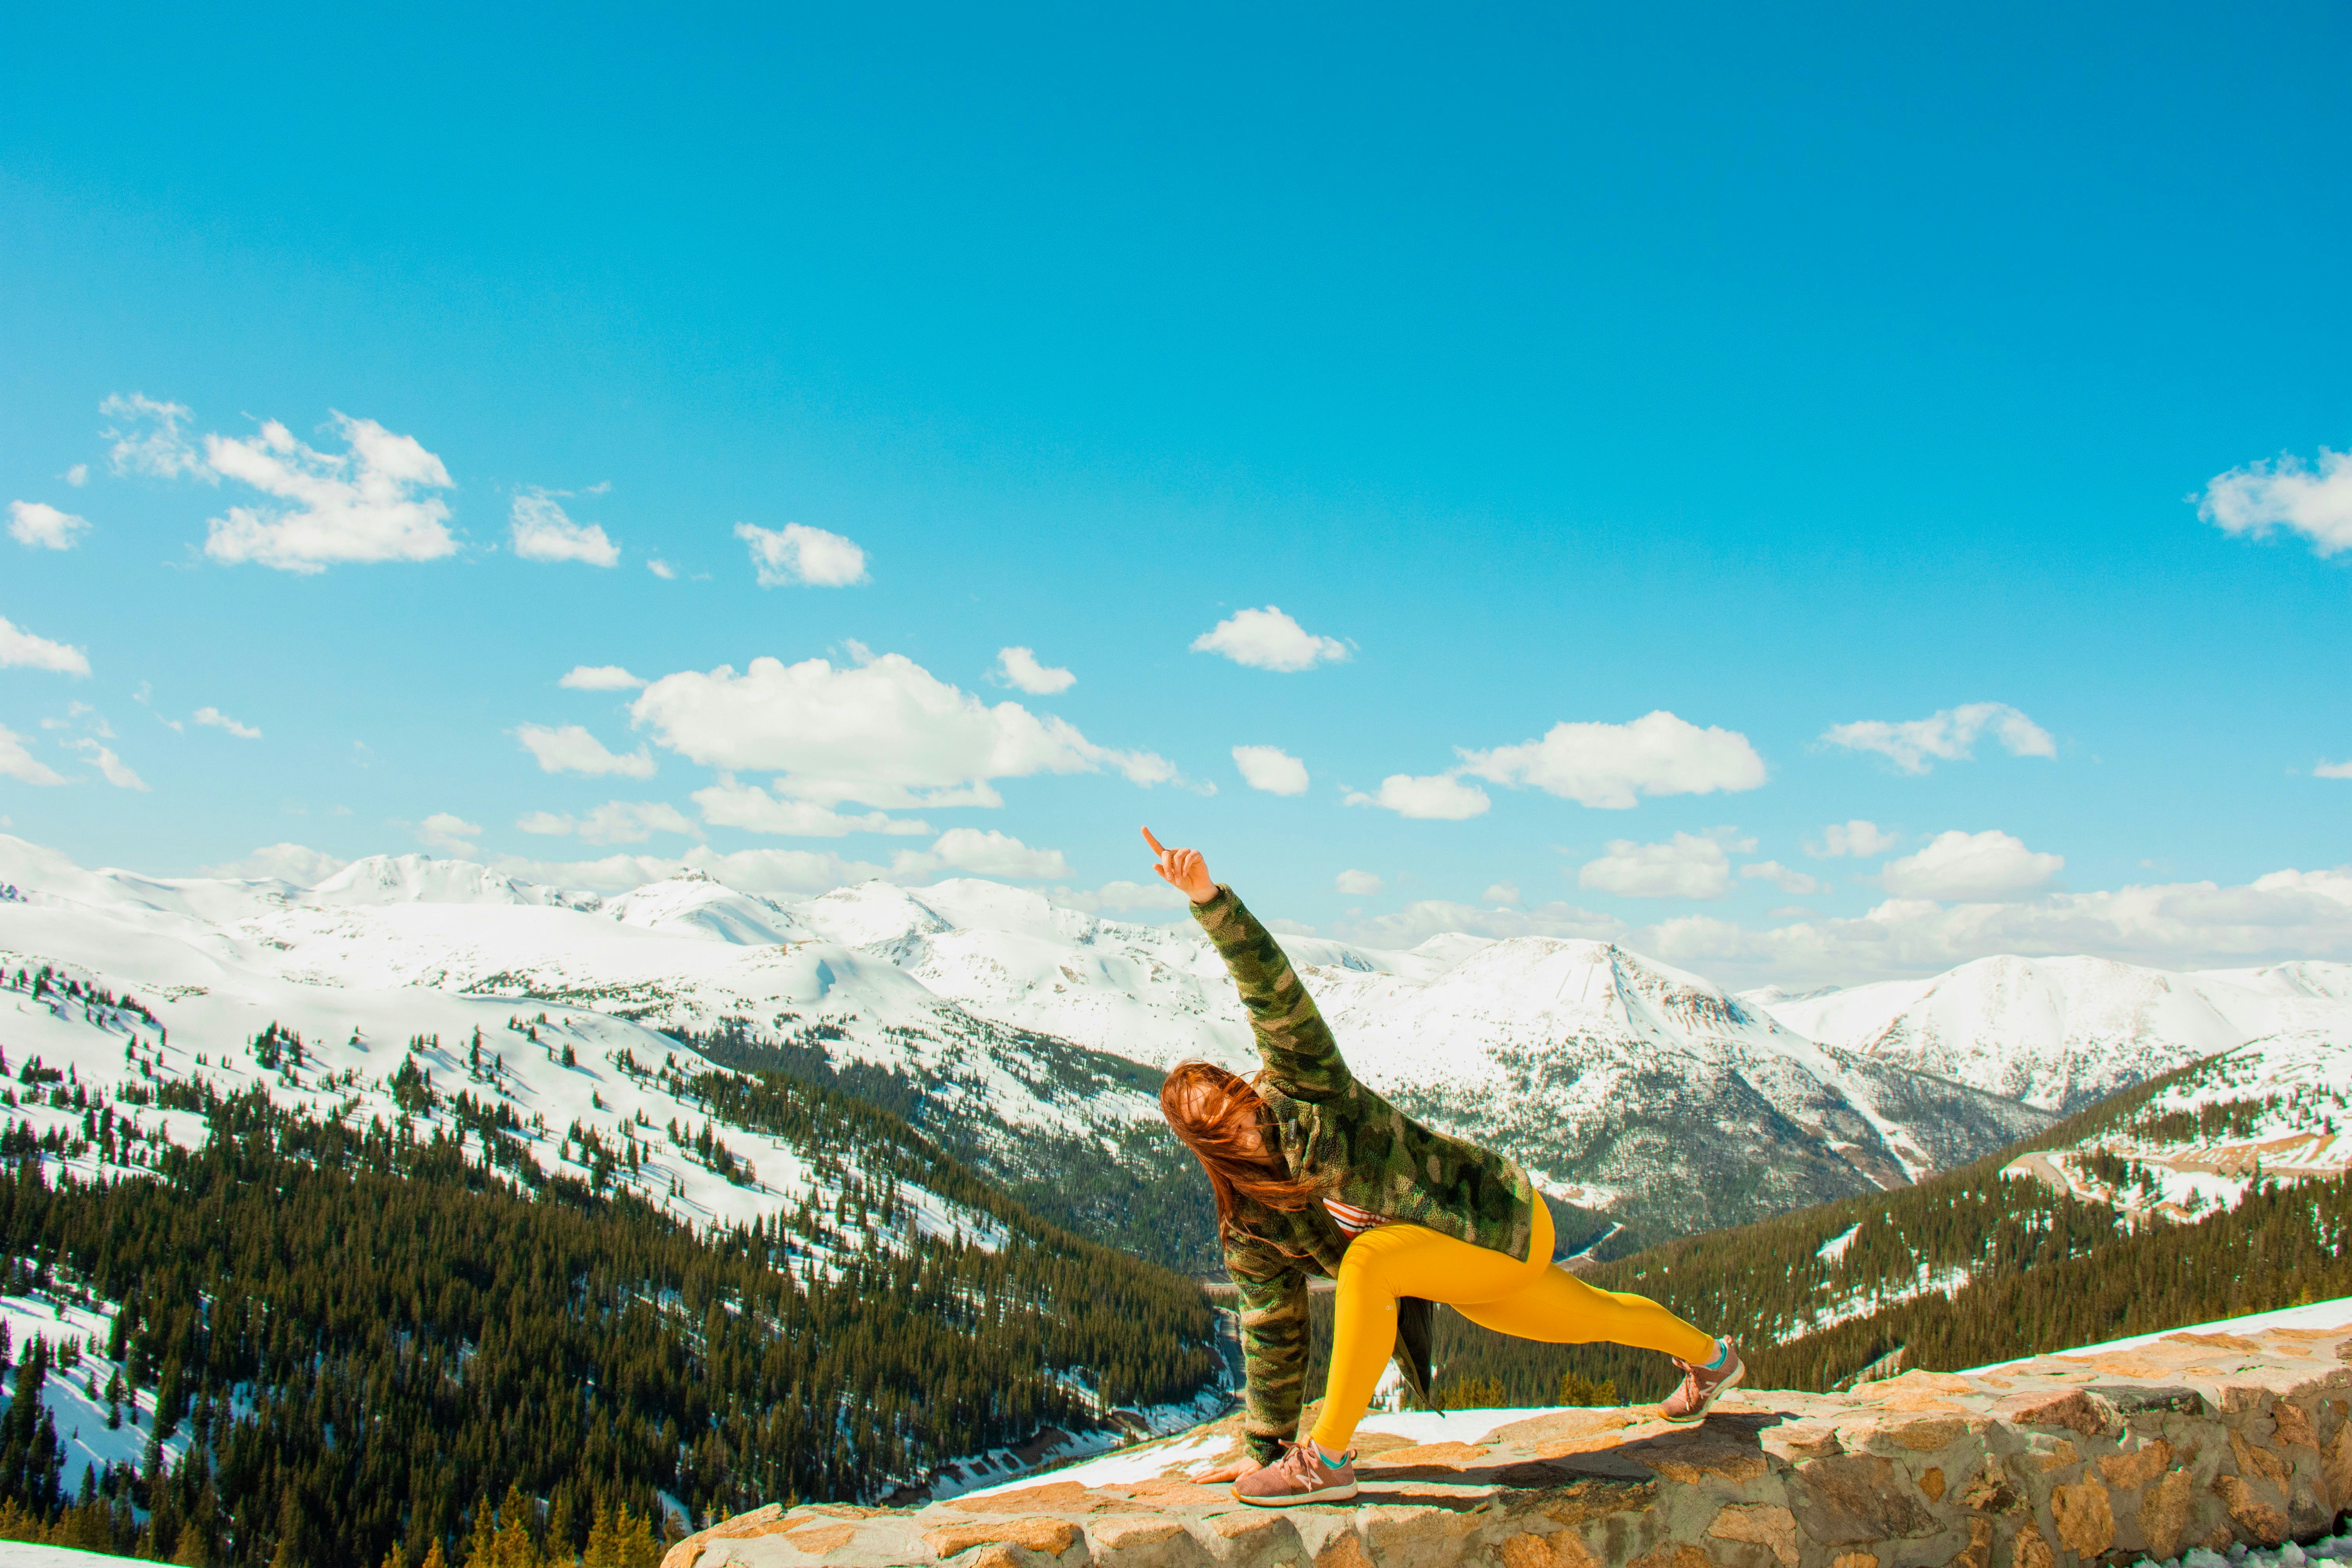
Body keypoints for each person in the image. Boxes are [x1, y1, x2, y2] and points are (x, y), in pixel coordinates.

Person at [1143, 829, 1743, 1508]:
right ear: (1207, 1146)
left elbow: (1272, 994)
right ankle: (1714, 1360)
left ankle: (1329, 1460)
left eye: (1236, 1100)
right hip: (1464, 1268)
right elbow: (1272, 1328)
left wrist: (1210, 902)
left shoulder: (1308, 1089)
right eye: (1221, 1125)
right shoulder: (1249, 1228)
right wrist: (1264, 1448)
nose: (1244, 1121)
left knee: (1369, 1262)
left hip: (1499, 1218)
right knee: (1594, 1315)